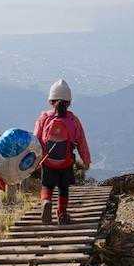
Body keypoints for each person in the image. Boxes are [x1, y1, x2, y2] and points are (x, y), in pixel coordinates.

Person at [35, 78, 90, 225]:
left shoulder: (44, 118)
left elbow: (36, 140)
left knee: (47, 186)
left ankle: (46, 201)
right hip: (66, 162)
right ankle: (62, 214)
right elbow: (81, 142)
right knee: (63, 188)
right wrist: (86, 160)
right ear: (69, 102)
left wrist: (34, 161)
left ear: (50, 101)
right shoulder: (73, 120)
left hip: (48, 161)